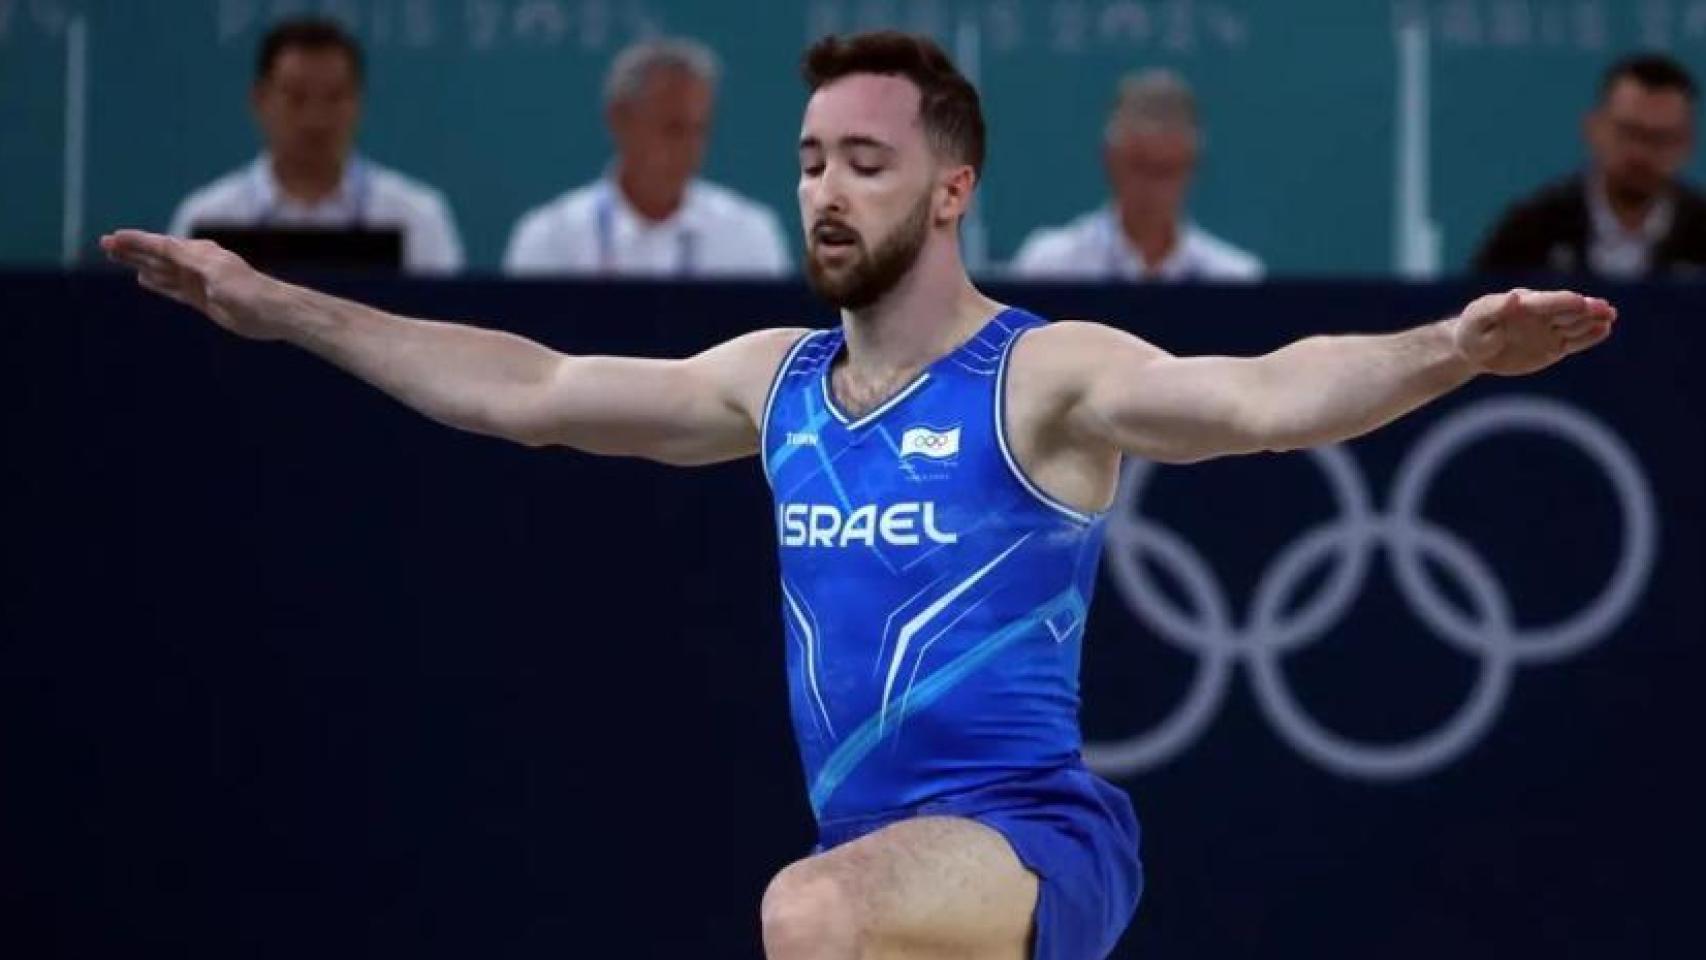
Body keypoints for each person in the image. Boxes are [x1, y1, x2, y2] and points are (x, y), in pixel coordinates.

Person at [103, 31, 1615, 960]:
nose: (826, 189)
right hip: (885, 862)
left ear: (950, 189)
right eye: (811, 159)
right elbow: (532, 391)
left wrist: (1449, 351)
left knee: (806, 916)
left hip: (1029, 836)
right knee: (834, 907)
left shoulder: (1043, 377)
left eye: (867, 163)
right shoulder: (772, 386)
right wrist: (283, 309)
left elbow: (1263, 400)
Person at [167, 16, 465, 275]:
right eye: (296, 98)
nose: (316, 119)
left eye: (335, 97)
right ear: (259, 100)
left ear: (359, 102)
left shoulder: (417, 216)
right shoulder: (207, 216)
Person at [502, 37, 791, 278]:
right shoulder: (550, 239)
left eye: (700, 129)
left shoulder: (750, 236)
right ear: (620, 120)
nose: (690, 147)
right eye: (673, 129)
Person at [1011, 68, 1262, 282]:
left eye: (1166, 170)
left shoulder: (1234, 277)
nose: (1151, 187)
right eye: (1140, 165)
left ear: (1192, 166)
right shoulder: (1049, 268)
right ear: (1110, 160)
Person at [1473, 52, 1706, 278]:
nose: (1640, 152)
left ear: (1687, 144)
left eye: (1660, 138)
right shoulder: (1530, 232)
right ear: (1594, 129)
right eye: (1628, 132)